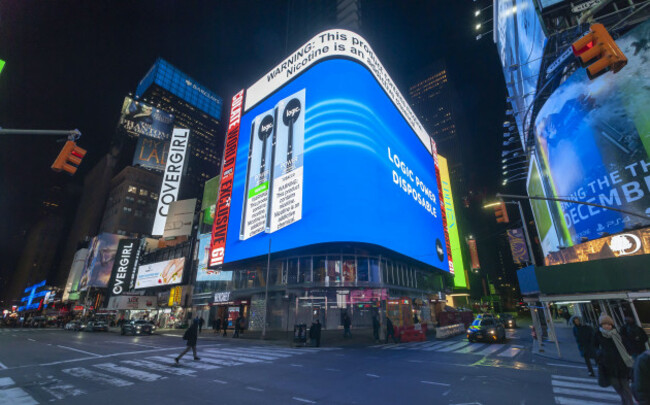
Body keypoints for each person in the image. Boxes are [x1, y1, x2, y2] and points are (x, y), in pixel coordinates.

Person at [595, 314, 635, 405]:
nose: (607, 326)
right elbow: (594, 347)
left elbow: (628, 346)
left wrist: (628, 355)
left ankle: (629, 402)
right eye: (604, 324)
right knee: (616, 386)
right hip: (609, 366)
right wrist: (600, 355)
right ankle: (624, 400)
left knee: (625, 387)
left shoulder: (618, 335)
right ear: (601, 325)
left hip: (622, 365)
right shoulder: (598, 335)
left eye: (609, 324)